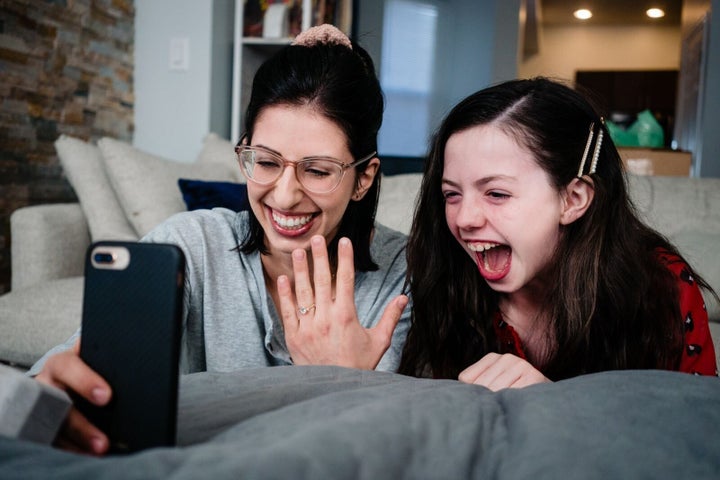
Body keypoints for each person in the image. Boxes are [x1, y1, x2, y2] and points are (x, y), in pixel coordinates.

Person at [32, 24, 411, 454]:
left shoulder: (402, 275)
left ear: (363, 178)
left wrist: (339, 379)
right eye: (265, 162)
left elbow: (395, 447)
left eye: (318, 170)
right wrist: (49, 396)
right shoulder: (191, 247)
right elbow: (55, 382)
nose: (284, 196)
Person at [398, 77, 718, 389]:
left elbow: (693, 428)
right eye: (452, 194)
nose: (464, 218)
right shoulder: (444, 277)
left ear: (573, 199)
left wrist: (554, 407)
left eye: (496, 194)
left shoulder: (662, 285)